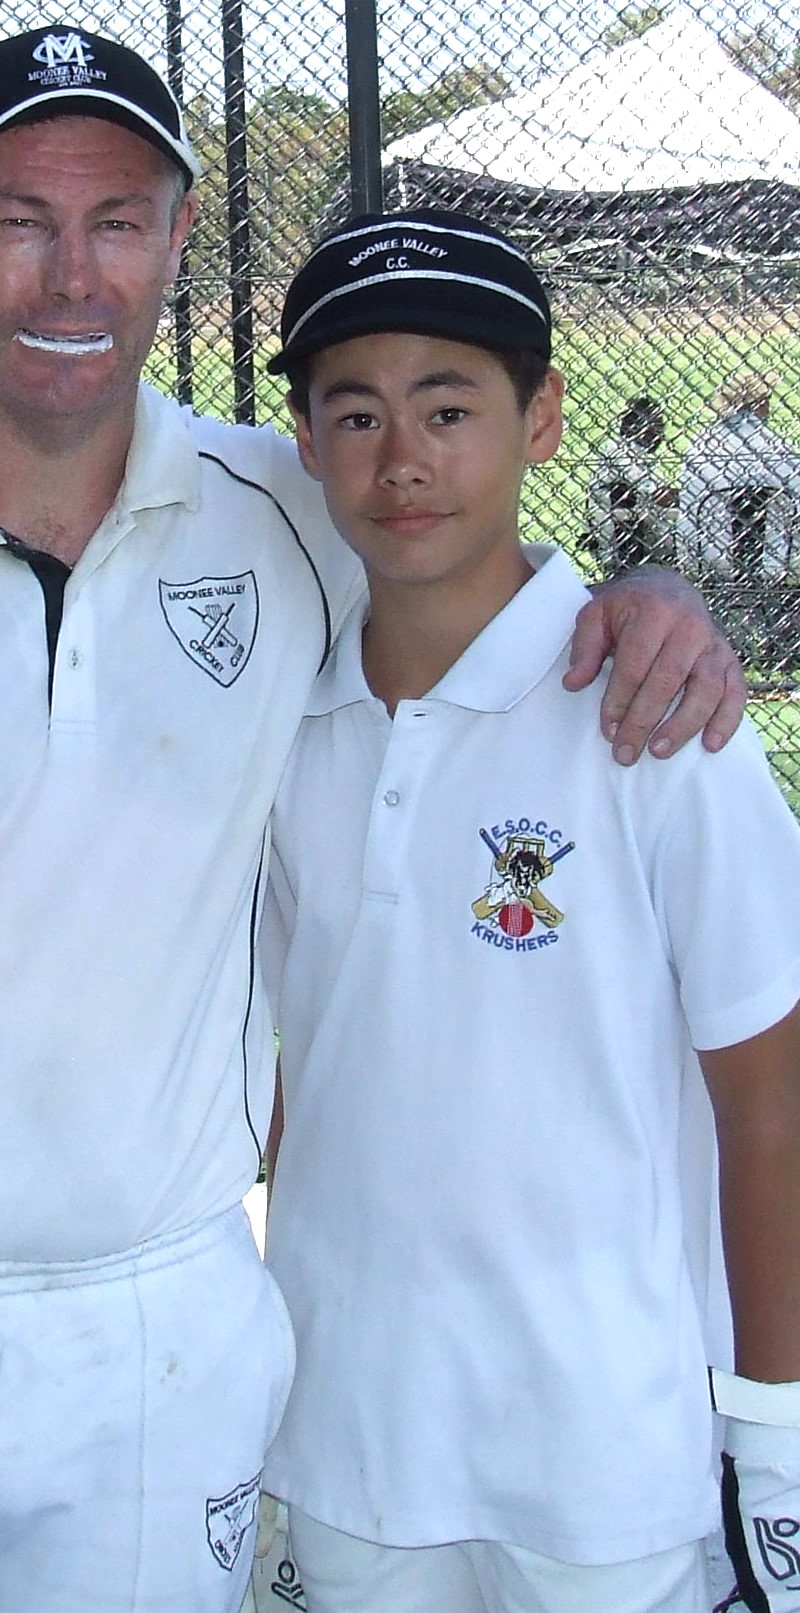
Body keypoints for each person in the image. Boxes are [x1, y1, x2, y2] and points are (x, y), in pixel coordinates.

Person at [0, 29, 743, 1613]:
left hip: (162, 1323)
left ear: (179, 240)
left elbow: (470, 571)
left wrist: (649, 604)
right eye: (19, 219)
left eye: (119, 220)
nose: (73, 275)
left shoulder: (285, 511)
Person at [258, 209, 800, 1613]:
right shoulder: (278, 726)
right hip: (351, 1444)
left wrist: (777, 1428)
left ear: (543, 418)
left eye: (452, 405)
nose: (405, 458)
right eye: (358, 413)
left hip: (609, 1470)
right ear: (306, 445)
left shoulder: (662, 717)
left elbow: (771, 1103)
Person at [677, 373, 800, 669]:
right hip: (776, 562)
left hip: (712, 559)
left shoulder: (701, 449)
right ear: (760, 405)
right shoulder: (783, 449)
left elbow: (689, 515)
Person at [586, 394, 675, 573]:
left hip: (638, 528)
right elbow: (657, 494)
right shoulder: (619, 451)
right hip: (619, 538)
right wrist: (689, 496)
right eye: (656, 426)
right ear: (635, 427)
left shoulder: (636, 453)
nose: (660, 435)